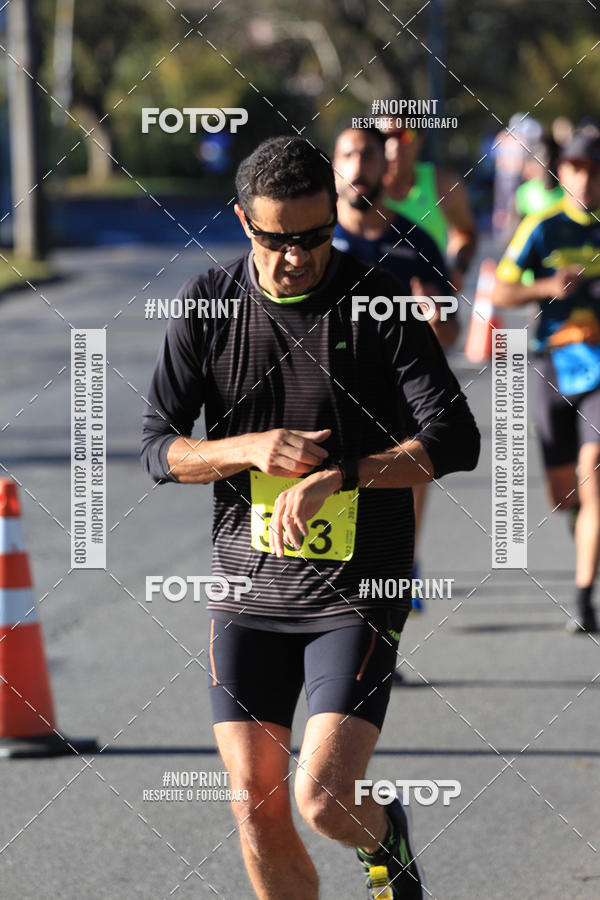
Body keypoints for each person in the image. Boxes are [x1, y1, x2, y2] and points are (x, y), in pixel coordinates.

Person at [142, 136, 480, 899]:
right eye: (276, 240)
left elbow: (456, 440)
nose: (296, 257)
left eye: (314, 235)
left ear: (333, 215)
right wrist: (248, 447)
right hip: (249, 589)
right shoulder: (209, 305)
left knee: (323, 799)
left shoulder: (377, 302)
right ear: (242, 221)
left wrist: (345, 475)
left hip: (358, 589)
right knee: (253, 804)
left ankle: (385, 837)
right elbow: (158, 448)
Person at [332, 124, 460, 617]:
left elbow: (452, 333)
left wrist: (436, 320)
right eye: (348, 156)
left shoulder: (417, 242)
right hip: (328, 396)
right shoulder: (313, 240)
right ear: (334, 167)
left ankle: (401, 571)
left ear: (385, 166)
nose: (358, 167)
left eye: (367, 156)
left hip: (400, 398)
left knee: (401, 497)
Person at [493, 129, 600, 634]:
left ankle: (584, 598)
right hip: (553, 365)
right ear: (564, 172)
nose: (586, 180)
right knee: (564, 494)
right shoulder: (542, 225)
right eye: (577, 169)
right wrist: (547, 286)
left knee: (593, 467)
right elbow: (500, 290)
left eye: (595, 171)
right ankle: (582, 522)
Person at [380, 122, 478, 292]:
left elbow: (466, 233)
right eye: (385, 136)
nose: (393, 146)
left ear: (421, 137)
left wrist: (457, 268)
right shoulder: (357, 189)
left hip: (429, 303)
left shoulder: (445, 185)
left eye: (404, 135)